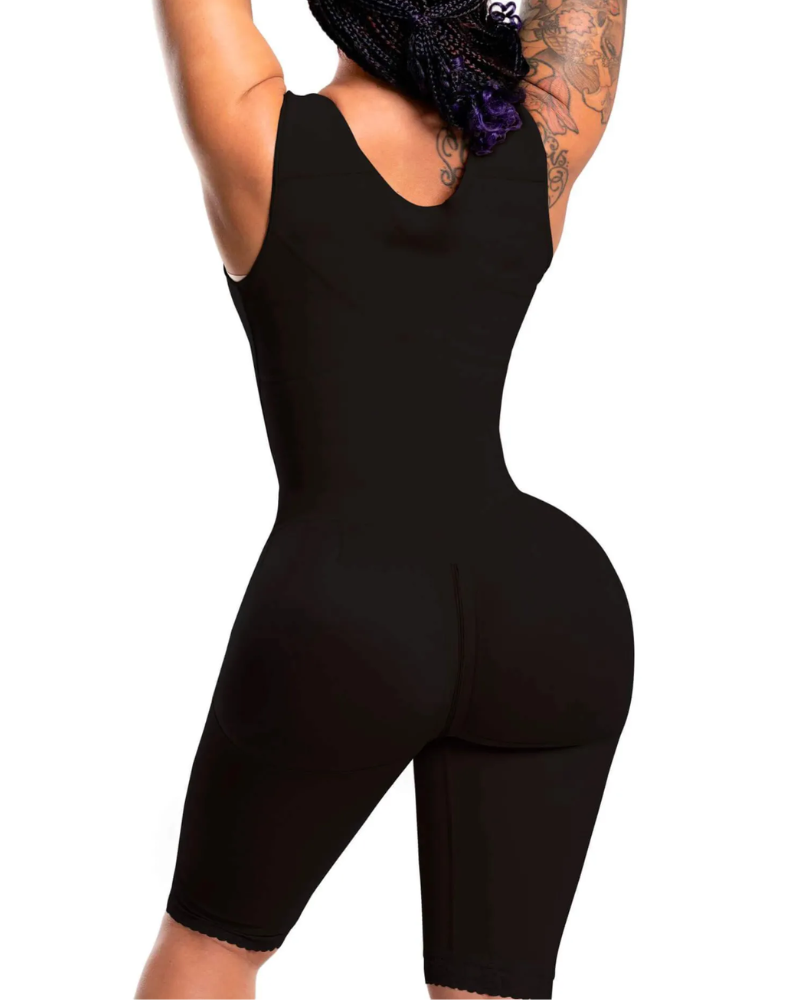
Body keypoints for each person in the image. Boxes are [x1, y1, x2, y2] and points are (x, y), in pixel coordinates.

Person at [135, 2, 633, 997]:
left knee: (209, 951)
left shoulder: (258, 135)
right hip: (547, 609)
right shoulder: (543, 140)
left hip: (345, 611)